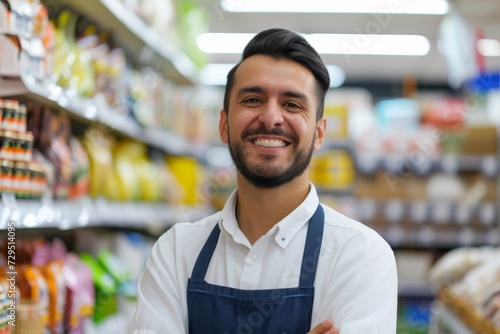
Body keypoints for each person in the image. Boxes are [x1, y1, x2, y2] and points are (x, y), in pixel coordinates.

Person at [126, 28, 398, 334]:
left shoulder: (359, 256)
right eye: (253, 99)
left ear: (319, 134)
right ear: (224, 125)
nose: (271, 118)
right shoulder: (176, 251)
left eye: (292, 104)